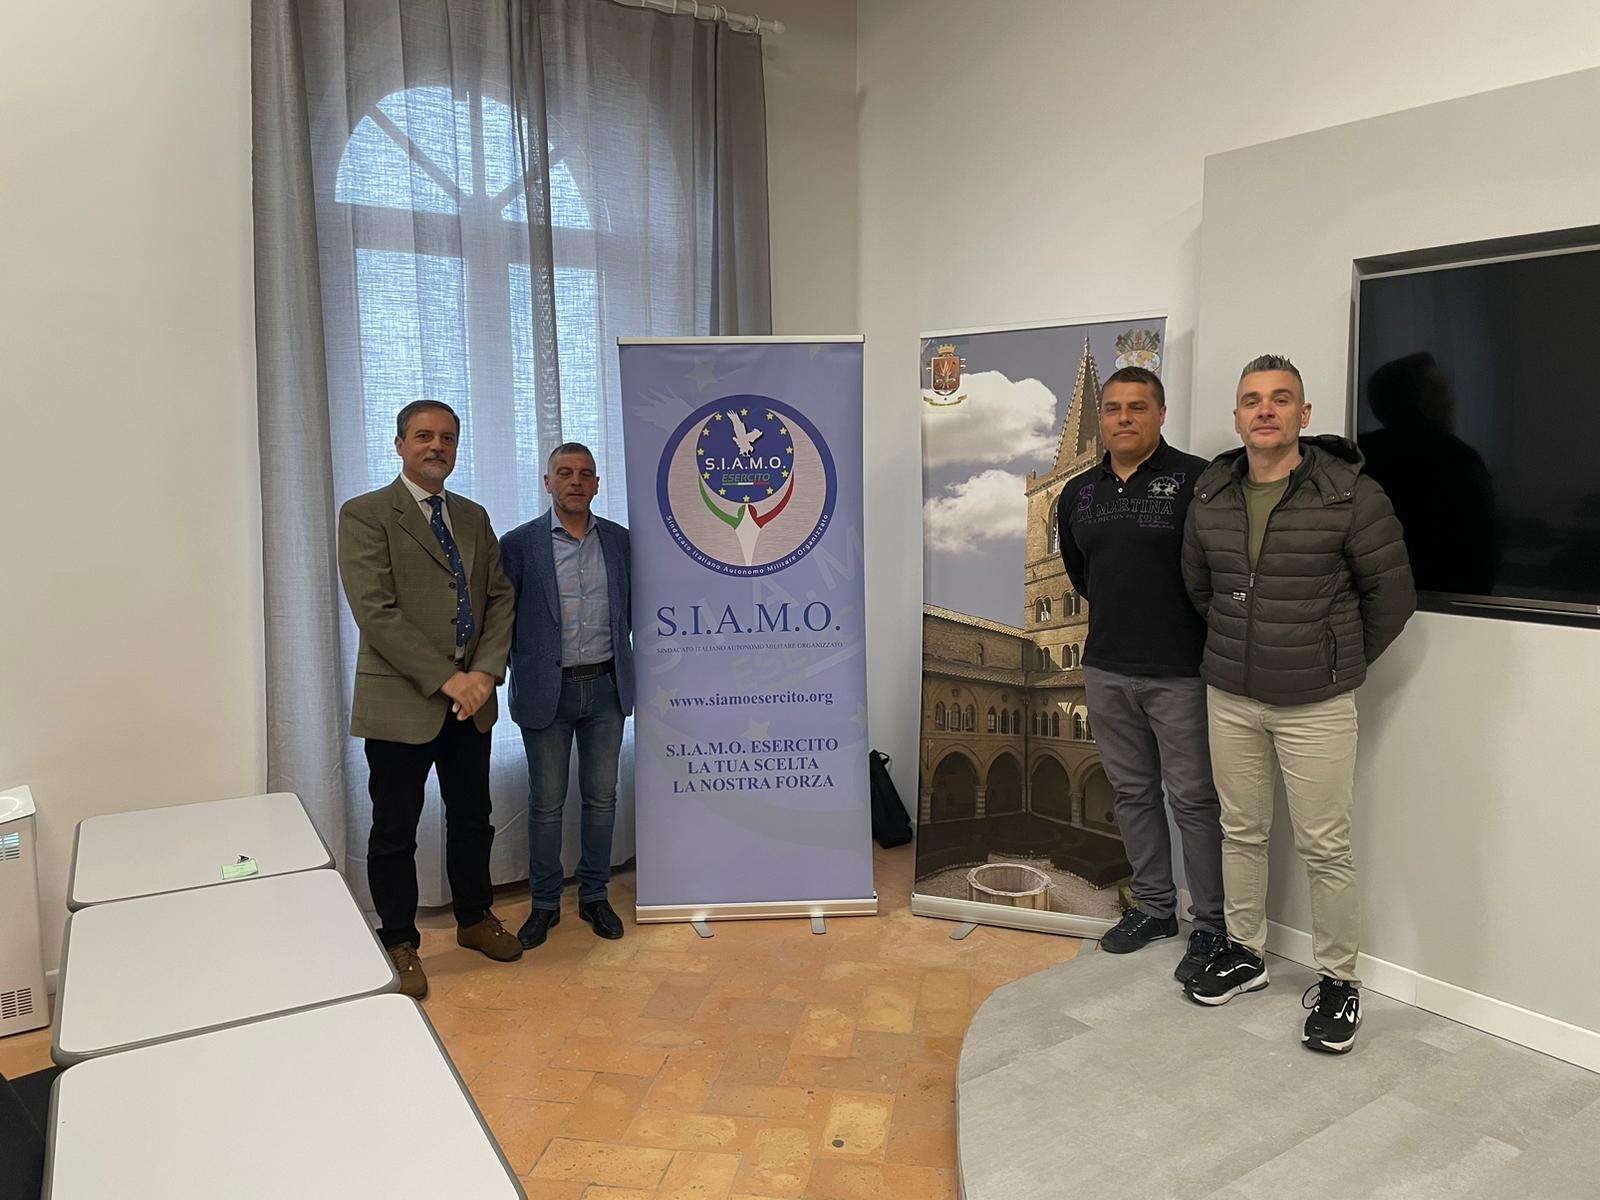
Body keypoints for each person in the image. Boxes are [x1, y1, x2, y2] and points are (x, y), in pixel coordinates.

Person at [1181, 354, 1415, 1054]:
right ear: (1237, 416)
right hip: (1231, 695)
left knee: (1325, 847)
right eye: (1252, 399)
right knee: (1241, 832)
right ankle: (1245, 952)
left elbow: (1392, 597)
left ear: (1303, 414)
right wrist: (1241, 648)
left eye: (1280, 399)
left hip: (1315, 703)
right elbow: (1200, 587)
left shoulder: (1350, 494)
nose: (1265, 410)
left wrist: (1335, 659)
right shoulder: (1212, 493)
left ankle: (1339, 981)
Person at [337, 399, 523, 999]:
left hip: (473, 702)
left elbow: (499, 597)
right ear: (400, 445)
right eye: (423, 436)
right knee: (395, 830)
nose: (436, 446)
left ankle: (474, 919)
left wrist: (485, 672)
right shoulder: (365, 514)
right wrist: (449, 678)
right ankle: (399, 941)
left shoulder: (472, 516)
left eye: (446, 437)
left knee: (473, 819)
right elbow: (376, 611)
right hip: (403, 703)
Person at [1057, 366, 1227, 986]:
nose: (1123, 418)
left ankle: (1211, 924)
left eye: (1136, 407)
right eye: (1113, 409)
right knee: (1132, 794)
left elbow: (1218, 569)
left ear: (1159, 414)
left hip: (1181, 671)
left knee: (1193, 800)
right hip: (1106, 669)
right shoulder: (1077, 494)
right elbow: (1082, 576)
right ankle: (1155, 909)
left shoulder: (1197, 480)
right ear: (1102, 419)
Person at [499, 443, 635, 949]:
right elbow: (501, 620)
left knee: (602, 799)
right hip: (546, 693)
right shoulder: (518, 545)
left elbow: (635, 610)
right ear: (547, 482)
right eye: (565, 473)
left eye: (585, 473)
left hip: (606, 689)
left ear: (597, 484)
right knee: (547, 804)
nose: (575, 481)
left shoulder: (620, 542)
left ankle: (595, 896)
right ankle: (545, 904)